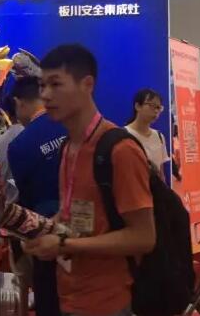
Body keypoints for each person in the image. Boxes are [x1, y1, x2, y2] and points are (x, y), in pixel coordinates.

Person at [23, 44, 155, 316]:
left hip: (108, 300)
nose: (45, 95)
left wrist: (64, 245)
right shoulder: (68, 147)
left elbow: (144, 237)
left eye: (56, 84)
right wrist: (42, 231)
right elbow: (73, 212)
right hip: (69, 294)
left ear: (87, 84)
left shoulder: (119, 149)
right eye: (42, 85)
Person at [7, 76, 66, 316]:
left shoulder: (19, 145)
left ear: (18, 102)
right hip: (89, 231)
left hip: (46, 233)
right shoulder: (71, 125)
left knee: (49, 298)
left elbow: (27, 199)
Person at [125, 89, 169, 180]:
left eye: (158, 108)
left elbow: (161, 173)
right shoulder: (124, 134)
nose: (156, 111)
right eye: (152, 105)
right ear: (138, 106)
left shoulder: (159, 136)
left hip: (155, 188)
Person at [0, 95, 24, 184]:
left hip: (10, 190)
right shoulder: (30, 131)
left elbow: (2, 170)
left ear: (5, 113)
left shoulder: (1, 141)